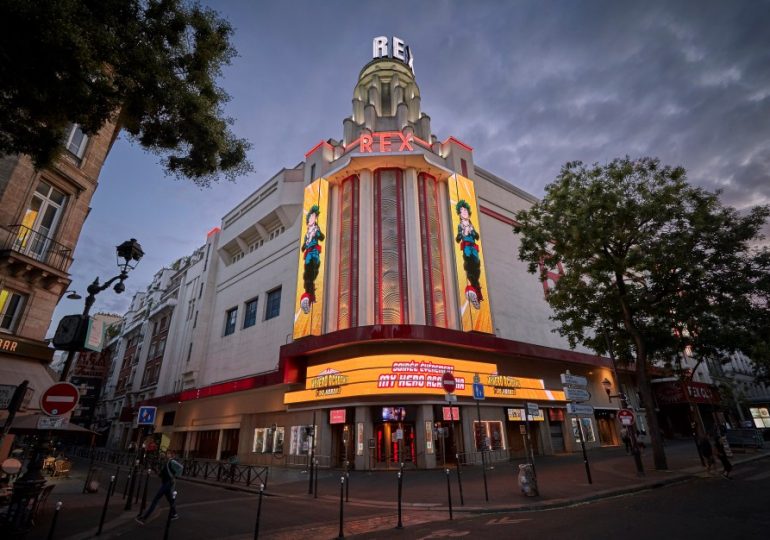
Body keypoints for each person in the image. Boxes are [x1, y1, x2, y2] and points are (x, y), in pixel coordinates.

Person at [135, 453, 183, 524]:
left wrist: (175, 476)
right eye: (161, 455)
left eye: (166, 454)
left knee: (155, 500)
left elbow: (181, 467)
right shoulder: (165, 463)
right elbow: (161, 475)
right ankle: (175, 514)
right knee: (170, 500)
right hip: (166, 483)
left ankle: (144, 518)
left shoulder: (171, 461)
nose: (163, 456)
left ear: (171, 455)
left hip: (167, 483)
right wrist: (156, 471)